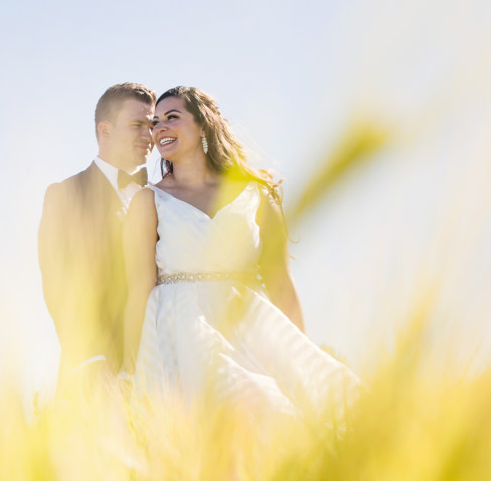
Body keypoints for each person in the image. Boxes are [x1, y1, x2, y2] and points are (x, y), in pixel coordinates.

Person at [122, 87, 359, 415]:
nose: (159, 128)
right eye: (155, 122)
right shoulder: (147, 201)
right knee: (236, 399)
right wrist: (129, 366)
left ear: (203, 124)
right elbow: (140, 289)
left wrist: (300, 359)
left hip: (252, 328)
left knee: (283, 414)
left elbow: (280, 284)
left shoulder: (257, 196)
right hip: (181, 337)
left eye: (172, 118)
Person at [39, 82, 155, 395]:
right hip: (94, 373)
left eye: (152, 125)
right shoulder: (65, 194)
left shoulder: (163, 200)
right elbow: (57, 283)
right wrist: (91, 359)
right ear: (105, 130)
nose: (150, 135)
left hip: (160, 366)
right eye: (137, 125)